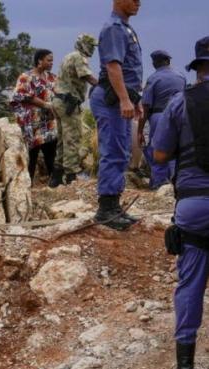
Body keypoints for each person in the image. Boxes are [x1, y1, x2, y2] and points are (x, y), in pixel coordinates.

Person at [152, 36, 209, 369]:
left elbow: (159, 156)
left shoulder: (179, 102)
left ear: (198, 68)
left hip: (194, 205)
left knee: (190, 285)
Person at [91, 0, 143, 231]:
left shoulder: (125, 28)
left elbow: (130, 69)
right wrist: (124, 98)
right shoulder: (113, 28)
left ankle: (114, 206)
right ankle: (106, 210)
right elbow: (113, 67)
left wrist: (134, 100)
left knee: (121, 150)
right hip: (111, 99)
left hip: (121, 98)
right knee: (112, 150)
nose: (138, 3)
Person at [50, 34, 99, 188]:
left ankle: (56, 176)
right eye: (90, 45)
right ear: (84, 44)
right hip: (68, 102)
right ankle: (71, 177)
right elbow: (87, 76)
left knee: (62, 140)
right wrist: (103, 86)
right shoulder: (79, 57)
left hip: (59, 101)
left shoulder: (68, 56)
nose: (92, 49)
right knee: (73, 138)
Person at [138, 50, 186, 190]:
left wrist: (140, 130)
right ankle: (176, 182)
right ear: (168, 61)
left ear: (154, 63)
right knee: (176, 149)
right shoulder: (181, 76)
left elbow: (145, 106)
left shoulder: (153, 79)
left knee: (157, 148)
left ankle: (159, 183)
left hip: (159, 116)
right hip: (180, 115)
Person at [11, 49, 58, 184]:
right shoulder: (26, 77)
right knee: (32, 154)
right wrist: (45, 105)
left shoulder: (51, 77)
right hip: (31, 123)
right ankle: (27, 185)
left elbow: (58, 93)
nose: (51, 63)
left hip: (48, 123)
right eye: (48, 60)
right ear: (39, 61)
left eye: (52, 60)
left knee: (51, 152)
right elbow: (21, 95)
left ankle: (54, 186)